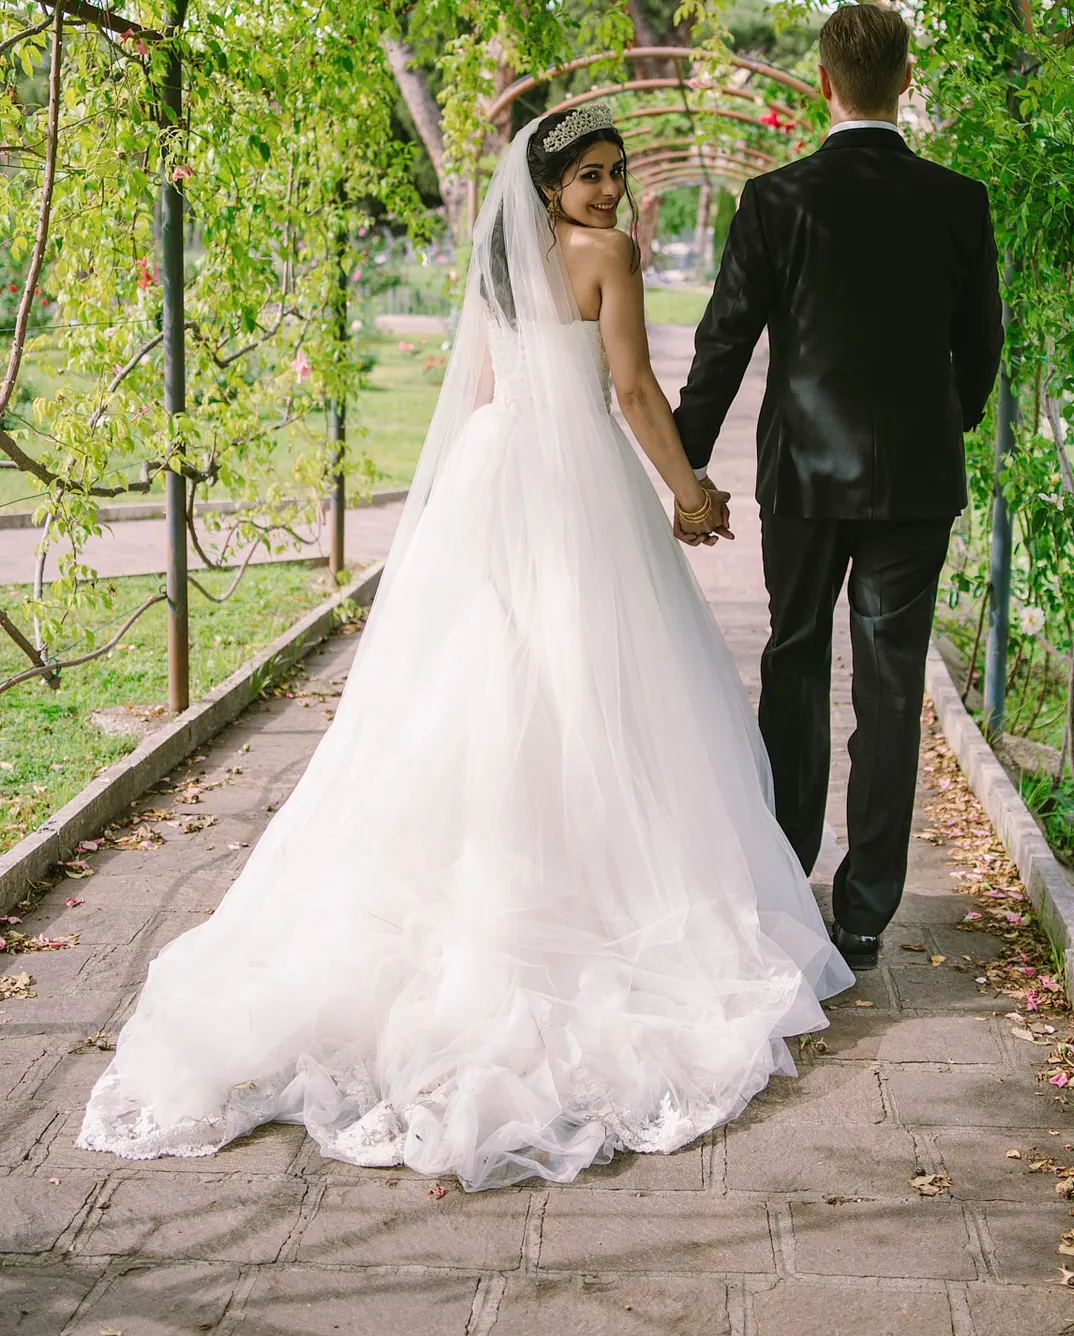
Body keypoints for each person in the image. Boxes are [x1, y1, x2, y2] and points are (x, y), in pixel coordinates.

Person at [79, 102, 853, 1190]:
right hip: (568, 473)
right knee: (579, 679)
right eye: (589, 173)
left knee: (498, 679)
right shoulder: (609, 258)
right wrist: (688, 494)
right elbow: (628, 390)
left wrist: (481, 492)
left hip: (500, 472)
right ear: (546, 182)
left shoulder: (503, 260)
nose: (611, 191)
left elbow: (488, 393)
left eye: (617, 173)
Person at [674, 3, 1003, 971]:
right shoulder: (957, 198)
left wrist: (686, 463)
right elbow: (979, 342)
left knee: (794, 658)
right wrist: (947, 426)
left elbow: (723, 342)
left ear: (822, 84)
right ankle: (862, 916)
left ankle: (786, 879)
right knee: (892, 688)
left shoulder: (777, 199)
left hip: (804, 477)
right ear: (904, 80)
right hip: (916, 478)